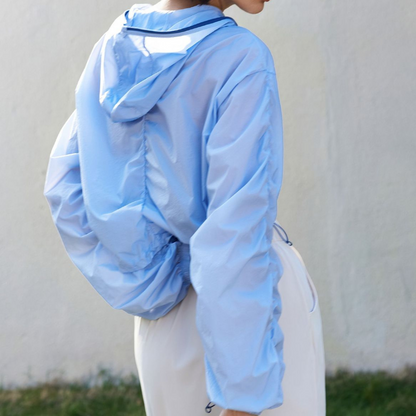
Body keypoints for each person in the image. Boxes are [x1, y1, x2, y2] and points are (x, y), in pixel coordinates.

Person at [43, 0, 326, 415]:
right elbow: (235, 232)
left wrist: (148, 286)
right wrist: (243, 395)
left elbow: (63, 188)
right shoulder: (240, 58)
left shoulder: (114, 48)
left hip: (163, 326)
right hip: (246, 326)